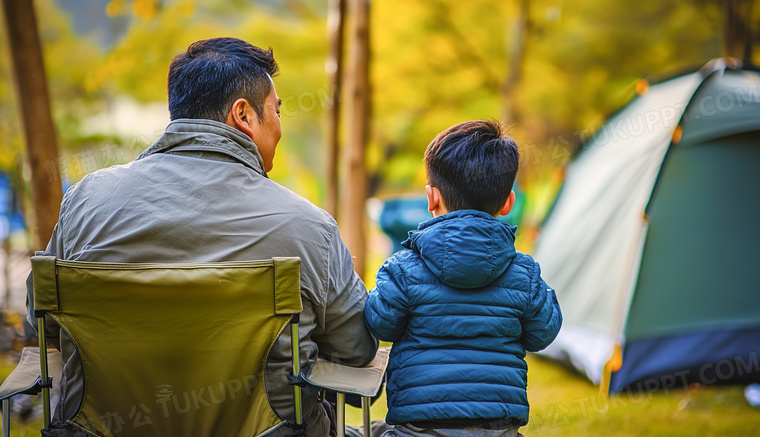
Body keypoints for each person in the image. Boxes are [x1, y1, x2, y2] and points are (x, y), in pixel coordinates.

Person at [27, 37, 377, 436]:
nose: (280, 125)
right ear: (243, 115)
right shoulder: (309, 227)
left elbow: (45, 325)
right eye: (276, 111)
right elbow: (355, 349)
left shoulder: (85, 201)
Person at [364, 120, 563, 437]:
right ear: (508, 203)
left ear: (431, 198)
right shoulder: (524, 274)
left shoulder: (401, 270)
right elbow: (544, 333)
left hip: (418, 430)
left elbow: (379, 324)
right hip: (499, 430)